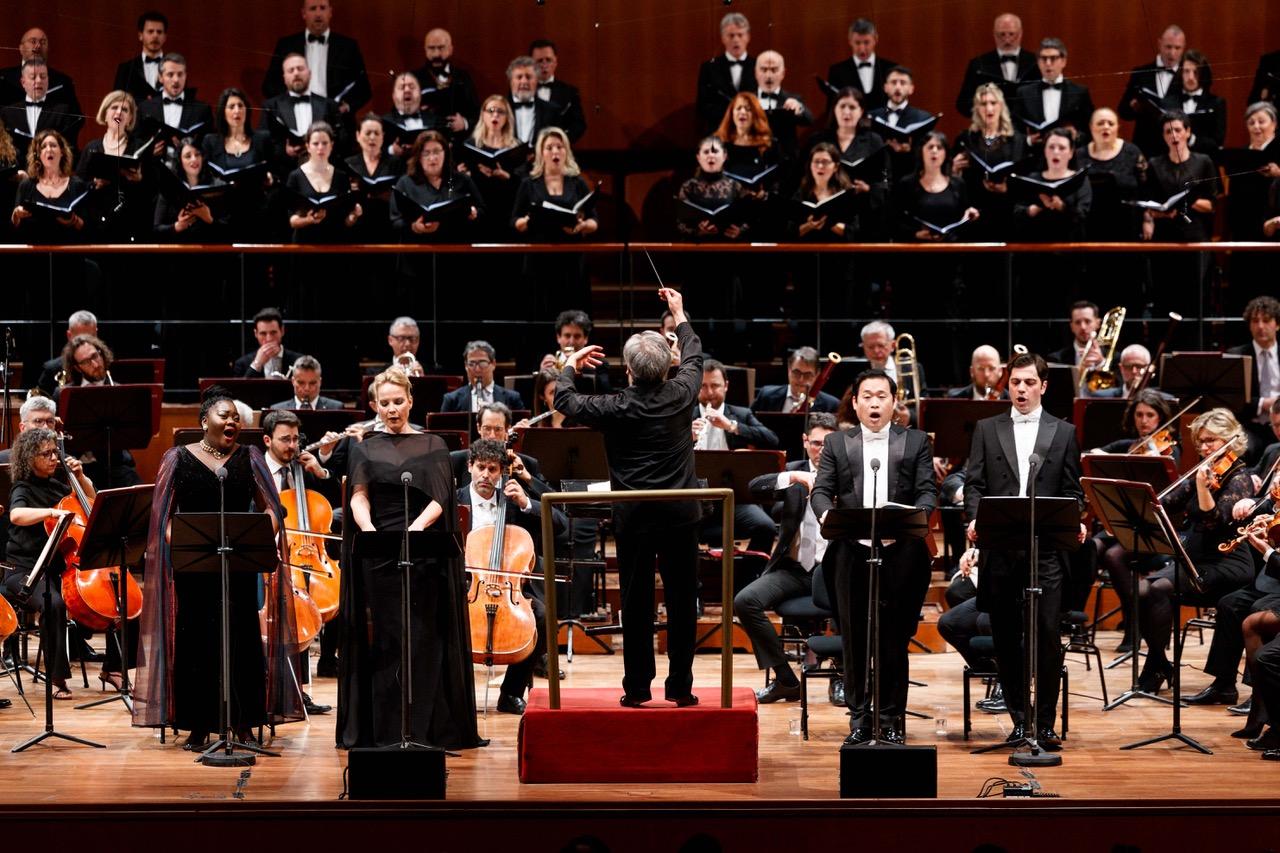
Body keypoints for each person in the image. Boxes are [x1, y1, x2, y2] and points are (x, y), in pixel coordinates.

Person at [553, 288, 703, 706]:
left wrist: (569, 363)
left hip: (635, 518)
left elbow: (564, 399)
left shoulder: (616, 406)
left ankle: (637, 690)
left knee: (636, 603)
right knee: (681, 602)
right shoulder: (681, 393)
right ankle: (681, 689)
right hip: (679, 517)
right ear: (667, 366)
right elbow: (694, 356)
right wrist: (679, 312)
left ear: (630, 372)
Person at [131, 387, 303, 746]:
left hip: (239, 562)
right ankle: (197, 722)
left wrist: (257, 537)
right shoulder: (178, 457)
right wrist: (180, 543)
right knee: (196, 639)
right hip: (195, 564)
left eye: (236, 418)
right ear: (203, 420)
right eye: (224, 415)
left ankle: (243, 721)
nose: (231, 421)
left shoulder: (250, 456)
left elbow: (271, 507)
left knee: (241, 638)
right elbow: (163, 514)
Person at [336, 368, 484, 749]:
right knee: (387, 639)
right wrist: (369, 530)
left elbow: (440, 498)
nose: (391, 409)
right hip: (380, 552)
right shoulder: (363, 447)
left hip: (422, 553)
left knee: (422, 637)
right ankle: (384, 730)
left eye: (398, 402)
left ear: (411, 401)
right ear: (374, 406)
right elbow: (359, 495)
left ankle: (426, 728)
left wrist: (415, 531)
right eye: (383, 403)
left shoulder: (433, 445)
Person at [963, 352, 1084, 749]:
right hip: (1000, 547)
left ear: (1044, 386)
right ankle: (1019, 718)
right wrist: (974, 517)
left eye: (1030, 382)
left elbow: (1072, 491)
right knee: (1006, 636)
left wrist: (1075, 518)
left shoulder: (1063, 432)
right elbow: (975, 484)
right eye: (1015, 382)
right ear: (1007, 384)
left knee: (1047, 635)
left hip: (1044, 548)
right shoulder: (986, 427)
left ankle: (1045, 723)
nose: (1021, 389)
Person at [810, 369, 937, 744]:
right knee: (854, 638)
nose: (874, 403)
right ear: (855, 402)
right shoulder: (837, 442)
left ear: (894, 402)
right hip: (852, 552)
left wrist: (915, 518)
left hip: (901, 554)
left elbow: (928, 492)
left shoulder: (915, 442)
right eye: (867, 396)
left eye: (882, 395)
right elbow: (821, 491)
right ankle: (860, 717)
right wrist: (825, 515)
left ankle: (892, 717)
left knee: (894, 638)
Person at [1112, 409, 1257, 697]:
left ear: (1230, 440)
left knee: (1159, 589)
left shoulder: (1239, 478)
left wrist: (1203, 489)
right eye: (1200, 441)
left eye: (1212, 441)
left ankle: (1155, 667)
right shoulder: (1202, 473)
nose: (1204, 447)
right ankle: (1160, 661)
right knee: (1142, 591)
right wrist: (1147, 502)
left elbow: (1214, 521)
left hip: (1227, 561)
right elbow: (1166, 503)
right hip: (1195, 559)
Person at [457, 438, 568, 715]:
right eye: (480, 467)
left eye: (493, 469)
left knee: (541, 616)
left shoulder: (513, 501)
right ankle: (456, 695)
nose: (486, 475)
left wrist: (526, 502)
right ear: (470, 466)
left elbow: (561, 526)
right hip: (467, 586)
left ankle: (511, 692)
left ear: (501, 471)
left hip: (508, 589)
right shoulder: (454, 501)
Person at [735, 412, 838, 702]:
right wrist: (794, 476)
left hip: (832, 570)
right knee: (745, 601)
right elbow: (754, 487)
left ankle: (841, 679)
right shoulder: (793, 472)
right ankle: (786, 679)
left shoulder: (848, 475)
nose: (822, 450)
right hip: (793, 569)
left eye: (829, 445)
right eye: (817, 443)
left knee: (850, 599)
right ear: (806, 442)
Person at [3, 427, 93, 701]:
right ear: (30, 458)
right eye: (47, 453)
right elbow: (17, 515)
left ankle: (113, 669)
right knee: (53, 604)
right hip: (24, 571)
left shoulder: (60, 484)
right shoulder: (22, 487)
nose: (55, 457)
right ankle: (57, 678)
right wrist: (53, 512)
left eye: (56, 451)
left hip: (58, 569)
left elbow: (91, 501)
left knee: (119, 595)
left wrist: (81, 477)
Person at [259, 409, 334, 717]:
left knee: (300, 612)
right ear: (268, 440)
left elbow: (326, 510)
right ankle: (267, 689)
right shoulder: (256, 471)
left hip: (302, 557)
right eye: (284, 439)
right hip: (265, 556)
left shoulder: (301, 468)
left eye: (295, 439)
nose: (292, 446)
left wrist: (321, 472)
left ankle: (299, 691)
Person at [694, 359, 778, 558]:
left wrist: (732, 426)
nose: (710, 392)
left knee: (765, 527)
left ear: (726, 386)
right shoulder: (682, 416)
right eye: (703, 386)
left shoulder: (740, 414)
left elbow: (771, 439)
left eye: (715, 385)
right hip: (693, 499)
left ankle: (748, 578)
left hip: (735, 499)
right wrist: (684, 436)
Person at [804, 87, 889, 239]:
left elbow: (884, 179)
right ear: (834, 109)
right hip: (825, 208)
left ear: (861, 110)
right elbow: (803, 174)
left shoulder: (873, 140)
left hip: (862, 211)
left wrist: (868, 189)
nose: (846, 112)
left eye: (852, 107)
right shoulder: (818, 139)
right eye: (842, 106)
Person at [263, 0, 371, 116]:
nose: (318, 14)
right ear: (304, 13)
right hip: (296, 116)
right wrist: (288, 104)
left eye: (323, 8)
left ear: (330, 12)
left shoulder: (348, 46)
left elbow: (363, 88)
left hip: (336, 118)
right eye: (313, 9)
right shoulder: (286, 45)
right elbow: (269, 85)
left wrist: (346, 106)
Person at [951, 83, 1027, 241]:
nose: (989, 108)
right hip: (975, 209)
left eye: (993, 103)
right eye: (983, 104)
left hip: (1006, 210)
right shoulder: (966, 138)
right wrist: (954, 170)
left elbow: (1024, 175)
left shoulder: (1016, 139)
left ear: (1001, 106)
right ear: (977, 108)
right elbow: (953, 181)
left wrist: (1007, 188)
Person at [76, 90, 154, 242]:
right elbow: (77, 186)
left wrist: (139, 181)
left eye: (125, 109)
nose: (119, 112)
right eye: (114, 107)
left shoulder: (139, 148)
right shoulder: (91, 148)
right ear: (105, 114)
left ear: (130, 118)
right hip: (96, 226)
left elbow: (152, 191)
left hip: (130, 226)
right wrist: (94, 184)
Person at [200, 88, 274, 240]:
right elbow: (205, 178)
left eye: (241, 106)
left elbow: (274, 170)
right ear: (223, 112)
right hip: (223, 216)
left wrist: (270, 178)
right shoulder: (211, 141)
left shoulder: (262, 139)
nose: (237, 110)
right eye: (231, 106)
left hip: (256, 213)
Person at [389, 129, 481, 243]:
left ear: (445, 153)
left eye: (437, 151)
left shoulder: (462, 180)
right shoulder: (405, 183)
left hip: (455, 247)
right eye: (426, 153)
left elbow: (482, 211)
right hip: (418, 249)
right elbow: (395, 221)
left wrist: (474, 212)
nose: (432, 158)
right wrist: (414, 227)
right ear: (418, 156)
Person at [1074, 107, 1148, 243]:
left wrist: (1147, 219)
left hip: (1127, 223)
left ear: (1117, 127)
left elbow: (1145, 189)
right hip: (1090, 223)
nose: (1105, 127)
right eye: (1100, 123)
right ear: (1091, 127)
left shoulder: (1132, 152)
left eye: (1110, 123)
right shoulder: (1079, 155)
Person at [891, 131, 979, 243]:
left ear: (946, 153)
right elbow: (894, 221)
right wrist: (916, 234)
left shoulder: (958, 183)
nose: (934, 151)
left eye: (939, 147)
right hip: (916, 250)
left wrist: (971, 215)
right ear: (921, 151)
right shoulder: (907, 183)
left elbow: (964, 219)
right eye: (930, 147)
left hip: (951, 250)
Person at [511, 126, 597, 241]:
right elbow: (515, 220)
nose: (555, 152)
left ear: (566, 151)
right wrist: (525, 222)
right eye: (549, 148)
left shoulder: (577, 182)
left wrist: (583, 226)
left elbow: (594, 220)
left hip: (571, 251)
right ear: (541, 153)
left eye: (559, 147)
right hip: (537, 251)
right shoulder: (528, 183)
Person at [263, 54, 343, 175]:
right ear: (284, 77)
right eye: (291, 70)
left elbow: (342, 140)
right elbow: (264, 142)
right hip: (285, 176)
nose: (296, 73)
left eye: (300, 69)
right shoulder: (271, 106)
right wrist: (285, 151)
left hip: (324, 174)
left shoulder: (329, 105)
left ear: (309, 73)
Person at [284, 121, 362, 242]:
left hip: (334, 244)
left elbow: (345, 222)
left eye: (325, 143)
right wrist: (309, 220)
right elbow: (291, 221)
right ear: (308, 146)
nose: (320, 147)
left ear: (331, 145)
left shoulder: (341, 177)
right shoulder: (295, 176)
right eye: (315, 143)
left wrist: (354, 215)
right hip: (304, 245)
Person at [1117, 25, 1187, 158]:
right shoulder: (1141, 73)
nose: (1172, 53)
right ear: (1159, 43)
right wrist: (1133, 107)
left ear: (1183, 48)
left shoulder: (1187, 75)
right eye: (1168, 47)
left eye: (1177, 48)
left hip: (1174, 147)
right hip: (1145, 146)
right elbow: (1123, 111)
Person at [1012, 127, 1092, 242]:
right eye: (1051, 147)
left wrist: (1061, 207)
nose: (1056, 152)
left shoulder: (1080, 180)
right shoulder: (1032, 179)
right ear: (1045, 151)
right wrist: (1034, 209)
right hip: (1036, 247)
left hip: (1069, 247)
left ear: (1070, 153)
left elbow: (1083, 216)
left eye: (1062, 148)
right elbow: (1017, 213)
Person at [9, 128, 89, 243]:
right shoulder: (26, 186)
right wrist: (16, 214)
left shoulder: (77, 185)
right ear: (38, 155)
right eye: (43, 146)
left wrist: (74, 220)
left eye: (53, 145)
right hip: (34, 256)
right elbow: (14, 230)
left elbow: (89, 230)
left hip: (69, 255)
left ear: (62, 152)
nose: (49, 149)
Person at [459, 94, 521, 240]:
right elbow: (450, 183)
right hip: (478, 209)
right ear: (483, 114)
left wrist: (508, 177)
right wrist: (462, 176)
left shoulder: (516, 147)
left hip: (506, 207)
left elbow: (524, 184)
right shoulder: (469, 145)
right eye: (491, 110)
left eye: (500, 111)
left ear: (507, 117)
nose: (495, 115)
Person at [1010, 38, 1095, 143]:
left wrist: (1076, 136)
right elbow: (1014, 127)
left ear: (1063, 61)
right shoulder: (1024, 93)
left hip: (1069, 154)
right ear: (1038, 62)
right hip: (1035, 155)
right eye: (1044, 58)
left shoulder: (1079, 92)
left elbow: (1090, 129)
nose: (1048, 63)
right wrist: (1027, 140)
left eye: (1053, 58)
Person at [1, 59, 82, 165]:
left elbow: (68, 148)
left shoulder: (63, 111)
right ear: (23, 82)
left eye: (43, 77)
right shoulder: (8, 112)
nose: (38, 81)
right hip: (17, 174)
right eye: (33, 77)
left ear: (48, 80)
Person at [955, 13, 1037, 118]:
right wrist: (985, 116)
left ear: (1020, 34)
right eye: (1002, 34)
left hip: (1026, 129)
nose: (1007, 40)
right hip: (991, 128)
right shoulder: (979, 64)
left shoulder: (1035, 62)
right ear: (994, 34)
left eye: (1011, 34)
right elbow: (963, 103)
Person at [1229, 296, 1280, 461]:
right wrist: (1261, 404)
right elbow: (1232, 400)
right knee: (1240, 449)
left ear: (1277, 324)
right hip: (1248, 425)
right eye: (1255, 321)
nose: (1260, 326)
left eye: (1266, 320)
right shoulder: (1235, 355)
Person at [675, 136, 750, 242]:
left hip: (730, 248)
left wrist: (740, 231)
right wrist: (697, 232)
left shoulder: (735, 186)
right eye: (706, 152)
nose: (710, 155)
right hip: (697, 250)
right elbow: (679, 224)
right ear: (698, 157)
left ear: (724, 156)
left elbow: (749, 218)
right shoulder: (688, 187)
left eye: (715, 151)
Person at [342, 112, 400, 243]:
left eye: (377, 133)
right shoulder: (348, 164)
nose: (372, 137)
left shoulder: (396, 163)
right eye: (368, 133)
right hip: (356, 229)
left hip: (388, 228)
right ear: (358, 136)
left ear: (383, 137)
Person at [412, 28, 480, 140]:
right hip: (423, 143)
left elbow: (476, 112)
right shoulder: (413, 78)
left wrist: (464, 123)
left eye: (441, 48)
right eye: (431, 48)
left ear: (450, 49)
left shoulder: (463, 77)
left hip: (457, 144)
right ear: (425, 49)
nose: (436, 54)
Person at [154, 137, 225, 242]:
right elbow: (156, 229)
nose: (194, 159)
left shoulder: (216, 186)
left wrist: (209, 219)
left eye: (197, 154)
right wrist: (178, 226)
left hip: (209, 252)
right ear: (180, 161)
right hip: (179, 251)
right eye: (188, 156)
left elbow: (229, 230)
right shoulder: (169, 187)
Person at [868, 66, 933, 179]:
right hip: (877, 179)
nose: (898, 87)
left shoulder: (923, 118)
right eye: (893, 82)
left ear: (911, 88)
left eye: (903, 83)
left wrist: (910, 150)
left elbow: (928, 153)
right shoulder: (871, 116)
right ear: (885, 87)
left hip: (909, 179)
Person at [696, 12, 755, 134]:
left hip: (752, 134)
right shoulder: (709, 68)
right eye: (731, 35)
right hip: (720, 134)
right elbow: (702, 107)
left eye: (740, 35)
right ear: (723, 38)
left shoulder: (760, 66)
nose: (736, 40)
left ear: (748, 37)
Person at [0, 29, 81, 116]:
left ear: (48, 49)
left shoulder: (63, 82)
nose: (38, 46)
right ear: (21, 48)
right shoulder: (3, 78)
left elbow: (76, 118)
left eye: (43, 42)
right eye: (33, 41)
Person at [787, 143, 857, 242]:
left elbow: (854, 233)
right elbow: (790, 233)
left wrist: (830, 223)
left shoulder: (846, 194)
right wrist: (809, 226)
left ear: (836, 167)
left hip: (838, 254)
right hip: (808, 253)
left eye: (825, 162)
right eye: (816, 161)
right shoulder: (802, 193)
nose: (820, 166)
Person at [826, 18, 896, 112]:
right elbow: (832, 109)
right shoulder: (837, 71)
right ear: (850, 41)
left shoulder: (891, 69)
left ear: (876, 40)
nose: (862, 49)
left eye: (866, 42)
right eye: (857, 43)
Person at [752, 50, 812, 159]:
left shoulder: (793, 99)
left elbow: (808, 120)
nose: (768, 75)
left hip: (785, 163)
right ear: (755, 73)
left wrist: (799, 108)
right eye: (764, 70)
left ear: (783, 73)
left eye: (774, 70)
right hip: (753, 160)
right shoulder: (746, 101)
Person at [440, 340, 524, 412]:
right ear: (466, 366)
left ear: (493, 364)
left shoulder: (512, 398)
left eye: (482, 363)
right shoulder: (451, 400)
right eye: (471, 364)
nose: (477, 369)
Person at [530, 39, 586, 144]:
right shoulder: (521, 91)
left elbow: (579, 125)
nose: (544, 64)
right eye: (539, 61)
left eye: (548, 60)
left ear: (556, 61)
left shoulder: (569, 92)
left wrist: (561, 142)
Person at [751, 347, 839, 413]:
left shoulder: (831, 406)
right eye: (796, 372)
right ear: (789, 369)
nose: (801, 379)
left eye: (808, 375)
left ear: (817, 375)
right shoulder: (766, 396)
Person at [1173, 51, 1227, 157]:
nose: (1191, 77)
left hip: (1205, 163)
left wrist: (1191, 139)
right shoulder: (1168, 102)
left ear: (1203, 74)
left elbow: (1217, 141)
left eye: (1196, 72)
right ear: (1180, 73)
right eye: (1186, 71)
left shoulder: (1217, 103)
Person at [113, 11, 167, 102]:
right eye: (150, 31)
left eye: (159, 32)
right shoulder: (126, 69)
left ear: (165, 37)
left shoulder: (176, 68)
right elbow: (116, 101)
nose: (155, 36)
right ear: (140, 35)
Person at [232, 307, 303, 378]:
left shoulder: (299, 360)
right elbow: (240, 389)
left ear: (282, 331)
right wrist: (257, 364)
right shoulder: (242, 364)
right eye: (263, 333)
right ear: (256, 334)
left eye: (273, 332)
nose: (269, 339)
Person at [380, 72, 436, 158]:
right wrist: (391, 150)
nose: (407, 90)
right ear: (394, 96)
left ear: (420, 94)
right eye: (401, 87)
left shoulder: (435, 120)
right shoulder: (383, 123)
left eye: (412, 87)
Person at [507, 56, 556, 148]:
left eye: (529, 77)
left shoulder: (552, 110)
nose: (524, 81)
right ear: (511, 81)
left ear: (537, 81)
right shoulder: (500, 110)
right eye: (519, 77)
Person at [269, 355, 344, 409]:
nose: (307, 388)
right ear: (293, 381)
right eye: (301, 383)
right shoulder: (278, 410)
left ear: (320, 382)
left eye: (312, 383)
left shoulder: (336, 407)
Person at [1046, 301, 1103, 368]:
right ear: (1071, 327)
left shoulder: (1115, 358)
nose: (1083, 327)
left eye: (1088, 321)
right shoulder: (1056, 359)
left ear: (1098, 323)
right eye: (1077, 322)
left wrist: (1101, 363)